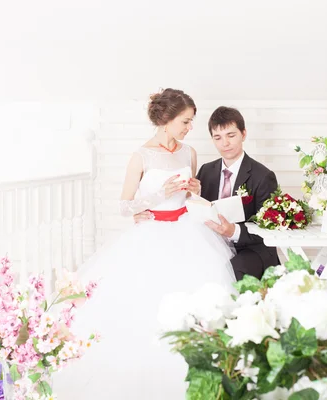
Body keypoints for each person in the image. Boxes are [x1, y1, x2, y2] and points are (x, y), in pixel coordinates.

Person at [54, 89, 236, 399]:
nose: (190, 128)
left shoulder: (189, 152)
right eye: (185, 121)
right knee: (144, 306)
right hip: (151, 236)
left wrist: (194, 188)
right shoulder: (141, 155)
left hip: (188, 233)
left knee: (197, 303)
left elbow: (190, 197)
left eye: (191, 122)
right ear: (166, 120)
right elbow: (125, 206)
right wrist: (157, 196)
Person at [135, 106, 280, 280]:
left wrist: (233, 231)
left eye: (231, 135)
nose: (225, 143)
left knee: (225, 272)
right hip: (212, 245)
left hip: (251, 250)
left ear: (244, 134)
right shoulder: (207, 170)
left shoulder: (263, 176)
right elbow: (189, 207)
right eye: (217, 137)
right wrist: (145, 212)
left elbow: (270, 230)